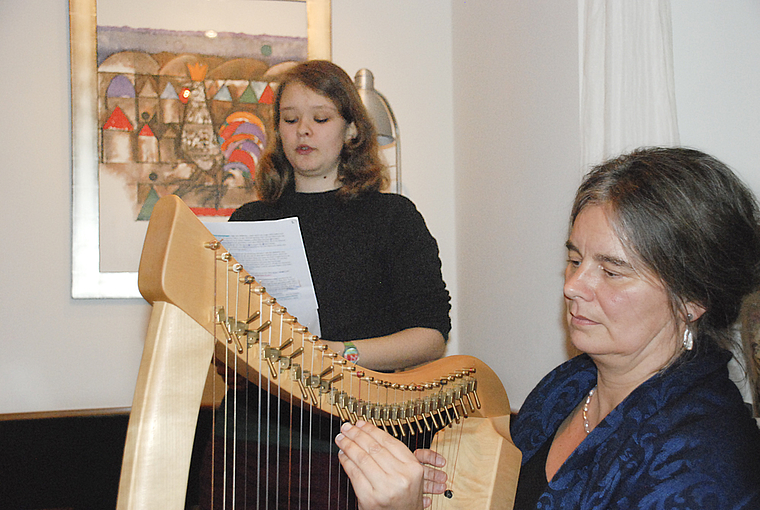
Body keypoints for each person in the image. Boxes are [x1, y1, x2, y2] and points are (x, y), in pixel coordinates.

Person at [335, 147, 760, 510]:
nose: (573, 286)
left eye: (611, 272)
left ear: (692, 299)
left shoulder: (702, 458)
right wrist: (441, 492)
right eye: (575, 260)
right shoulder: (569, 385)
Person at [198, 59, 451, 510]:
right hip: (247, 436)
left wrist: (337, 355)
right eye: (290, 119)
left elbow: (430, 336)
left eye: (320, 118)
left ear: (352, 130)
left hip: (351, 442)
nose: (303, 131)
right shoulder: (249, 221)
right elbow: (222, 335)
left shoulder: (392, 217)